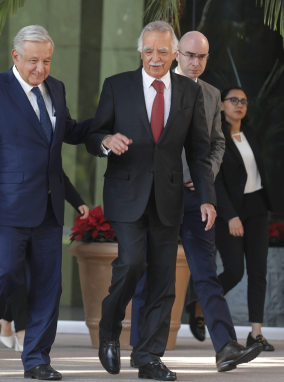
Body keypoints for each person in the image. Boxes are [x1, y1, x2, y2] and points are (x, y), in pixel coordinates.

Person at [84, 21, 220, 381]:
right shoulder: (117, 86)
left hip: (169, 197)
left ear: (174, 53)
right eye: (148, 50)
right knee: (131, 264)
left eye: (162, 51)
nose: (155, 57)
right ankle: (110, 330)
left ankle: (148, 357)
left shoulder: (189, 94)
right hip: (126, 193)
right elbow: (94, 132)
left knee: (163, 281)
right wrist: (106, 141)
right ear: (140, 51)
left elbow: (200, 152)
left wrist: (207, 198)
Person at [129, 31, 262, 372]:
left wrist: (203, 175)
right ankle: (140, 348)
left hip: (194, 197)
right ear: (175, 54)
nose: (195, 63)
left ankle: (225, 347)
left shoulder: (211, 93)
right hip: (157, 196)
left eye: (201, 57)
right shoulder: (153, 86)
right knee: (150, 272)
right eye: (189, 55)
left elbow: (217, 143)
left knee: (206, 274)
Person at [0, 25, 93, 380]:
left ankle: (36, 359)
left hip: (49, 208)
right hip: (6, 206)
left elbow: (68, 132)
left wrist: (107, 127)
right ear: (16, 56)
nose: (41, 68)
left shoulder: (57, 89)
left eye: (47, 61)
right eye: (34, 60)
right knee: (5, 272)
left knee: (49, 285)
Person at [0, 173, 90, 353]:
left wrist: (77, 200)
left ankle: (6, 317)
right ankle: (23, 330)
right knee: (16, 271)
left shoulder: (45, 145)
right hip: (12, 210)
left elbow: (57, 173)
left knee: (41, 277)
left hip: (45, 217)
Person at [215, 87, 274, 351]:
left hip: (258, 207)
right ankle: (199, 302)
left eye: (244, 101)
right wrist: (230, 216)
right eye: (233, 100)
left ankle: (256, 334)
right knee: (235, 271)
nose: (239, 105)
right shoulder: (216, 136)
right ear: (221, 105)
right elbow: (216, 182)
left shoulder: (251, 133)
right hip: (232, 211)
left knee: (258, 272)